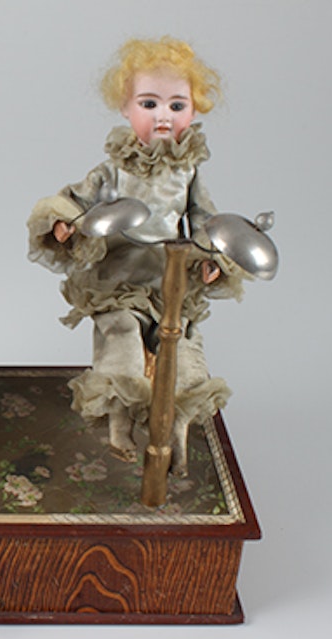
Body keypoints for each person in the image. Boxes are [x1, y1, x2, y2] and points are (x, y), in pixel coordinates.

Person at [27, 37, 245, 474]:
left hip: (170, 279)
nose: (163, 116)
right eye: (149, 103)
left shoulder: (187, 170)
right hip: (120, 276)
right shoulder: (114, 169)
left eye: (177, 105)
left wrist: (211, 258)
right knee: (122, 335)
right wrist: (65, 223)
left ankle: (176, 431)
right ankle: (120, 422)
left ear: (194, 110)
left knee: (181, 353)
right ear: (126, 108)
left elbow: (203, 219)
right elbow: (77, 199)